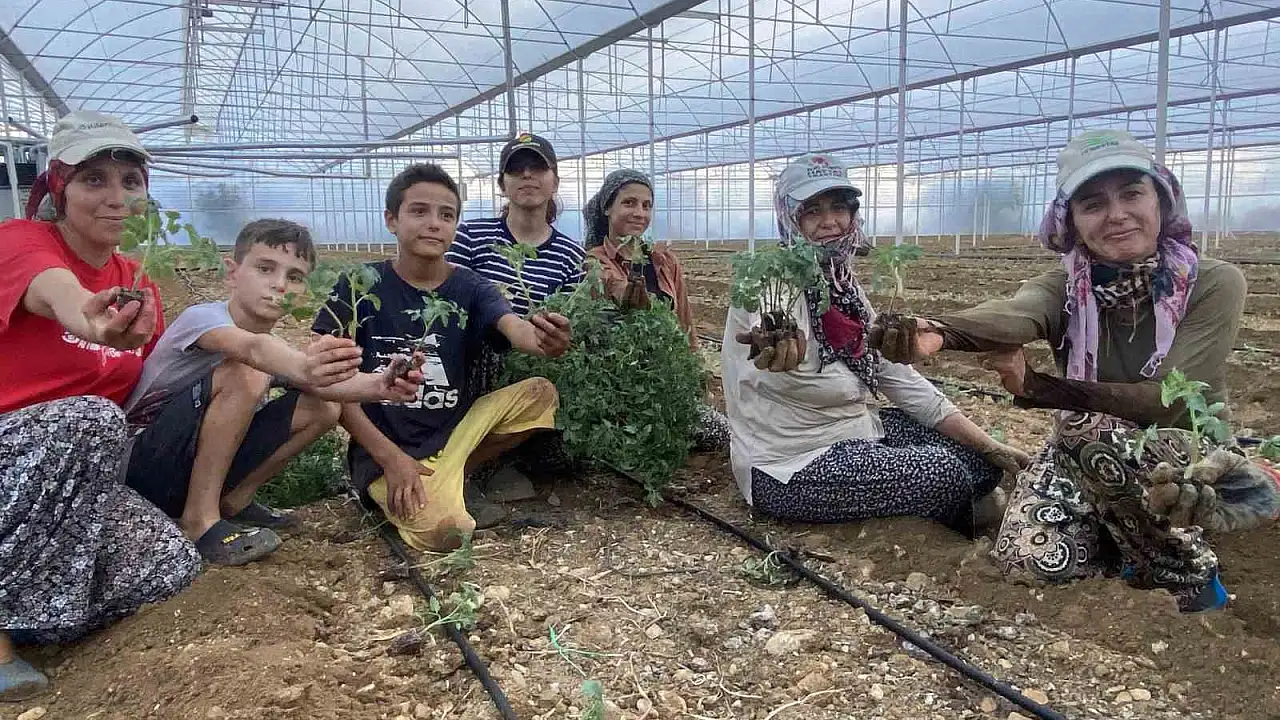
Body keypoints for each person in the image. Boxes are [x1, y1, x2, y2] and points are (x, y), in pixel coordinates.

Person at [871, 129, 1279, 612]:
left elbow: (1162, 400)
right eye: (1093, 204)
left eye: (1132, 194)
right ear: (1072, 222)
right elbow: (1016, 314)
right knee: (1029, 561)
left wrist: (1040, 387)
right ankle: (1119, 539)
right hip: (1083, 456)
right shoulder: (1066, 285)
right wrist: (941, 330)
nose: (1116, 214)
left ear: (1162, 201)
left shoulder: (1213, 282)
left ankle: (1184, 573)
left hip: (1185, 458)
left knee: (1088, 430)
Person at [0, 111, 201, 700]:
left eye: (130, 182)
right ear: (59, 189)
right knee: (91, 418)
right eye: (93, 180)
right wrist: (88, 319)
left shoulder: (137, 278)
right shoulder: (21, 241)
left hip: (79, 476)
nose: (117, 198)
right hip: (11, 456)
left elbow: (149, 381)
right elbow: (56, 291)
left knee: (170, 567)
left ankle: (35, 611)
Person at [722, 153, 1028, 535]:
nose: (829, 221)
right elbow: (768, 331)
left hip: (860, 431)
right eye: (812, 211)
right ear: (790, 217)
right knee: (943, 473)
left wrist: (990, 446)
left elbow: (896, 375)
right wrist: (776, 341)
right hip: (791, 463)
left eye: (839, 208)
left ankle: (941, 503)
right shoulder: (770, 285)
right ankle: (946, 522)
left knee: (981, 461)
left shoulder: (843, 286)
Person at [121, 219, 424, 566]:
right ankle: (199, 521)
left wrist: (382, 384)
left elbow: (326, 385)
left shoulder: (271, 346)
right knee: (246, 372)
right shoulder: (202, 319)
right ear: (232, 272)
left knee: (324, 406)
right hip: (139, 468)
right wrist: (305, 366)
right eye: (265, 269)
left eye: (294, 276)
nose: (279, 285)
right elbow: (253, 350)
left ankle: (235, 500)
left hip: (183, 470)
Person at [316, 163, 572, 552]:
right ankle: (419, 484)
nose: (434, 223)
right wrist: (390, 459)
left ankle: (451, 475)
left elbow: (512, 326)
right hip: (384, 448)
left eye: (446, 215)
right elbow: (325, 382)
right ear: (391, 220)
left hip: (456, 434)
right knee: (448, 532)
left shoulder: (471, 286)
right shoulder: (358, 285)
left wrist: (542, 339)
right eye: (419, 211)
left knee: (540, 393)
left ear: (455, 226)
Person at [446, 133, 585, 507]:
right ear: (502, 184)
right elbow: (448, 306)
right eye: (516, 169)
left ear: (554, 181)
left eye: (538, 168)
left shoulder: (571, 254)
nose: (527, 175)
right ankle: (460, 470)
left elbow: (571, 323)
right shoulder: (470, 237)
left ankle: (481, 462)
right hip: (470, 368)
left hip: (535, 368)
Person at [582, 168, 729, 451]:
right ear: (607, 208)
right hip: (619, 387)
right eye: (629, 203)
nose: (639, 213)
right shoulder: (593, 261)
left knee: (722, 435)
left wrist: (695, 373)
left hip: (667, 382)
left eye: (646, 205)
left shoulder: (665, 262)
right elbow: (610, 286)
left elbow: (685, 324)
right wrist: (627, 294)